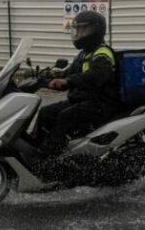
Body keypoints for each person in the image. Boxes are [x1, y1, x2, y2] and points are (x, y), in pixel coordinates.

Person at [36, 10, 119, 156]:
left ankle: (53, 158)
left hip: (100, 103)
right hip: (82, 100)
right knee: (46, 112)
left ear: (96, 30)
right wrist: (45, 78)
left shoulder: (103, 53)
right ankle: (36, 147)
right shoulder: (83, 53)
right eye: (77, 30)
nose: (79, 34)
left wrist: (68, 81)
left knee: (64, 117)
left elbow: (96, 76)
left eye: (83, 30)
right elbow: (69, 73)